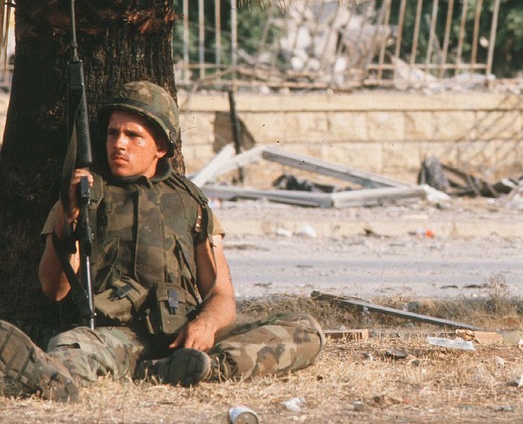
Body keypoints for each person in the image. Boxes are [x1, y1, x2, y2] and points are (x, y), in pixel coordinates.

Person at [0, 80, 324, 402]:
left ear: (161, 147)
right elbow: (54, 289)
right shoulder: (83, 196)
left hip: (183, 337)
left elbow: (222, 295)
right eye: (113, 133)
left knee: (304, 329)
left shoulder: (190, 202)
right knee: (71, 348)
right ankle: (68, 376)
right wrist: (67, 216)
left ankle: (203, 368)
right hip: (115, 338)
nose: (119, 144)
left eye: (133, 135)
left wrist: (206, 325)